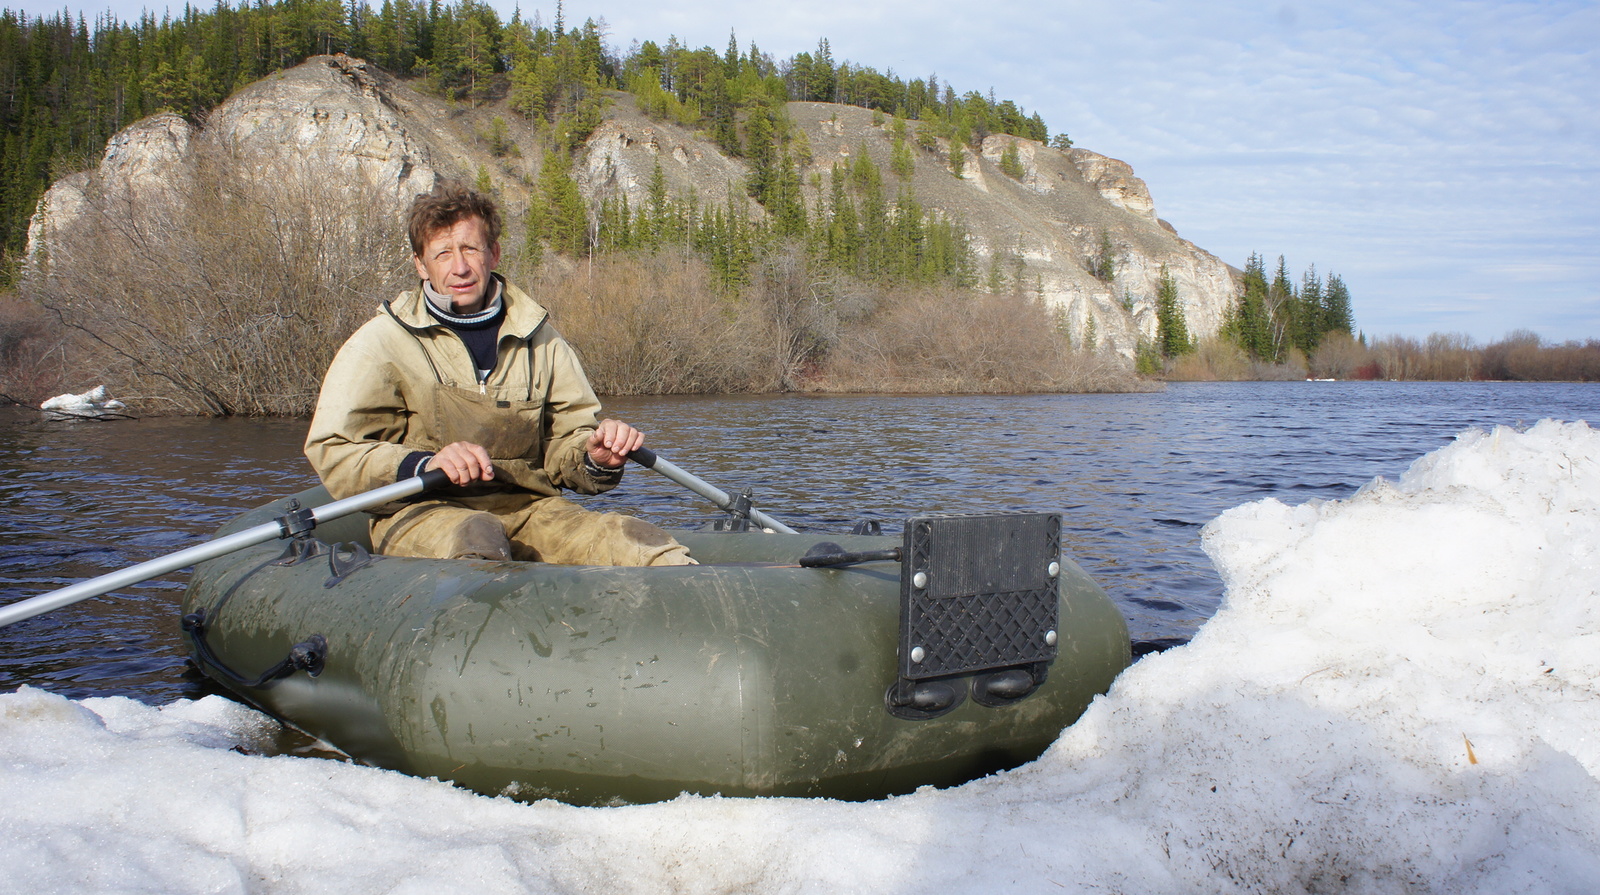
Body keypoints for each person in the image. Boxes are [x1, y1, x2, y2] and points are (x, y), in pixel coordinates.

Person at [304, 181, 693, 566]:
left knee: (642, 545)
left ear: (493, 252)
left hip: (532, 511)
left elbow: (568, 440)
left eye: (470, 249)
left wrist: (594, 458)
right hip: (423, 514)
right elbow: (335, 450)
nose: (459, 268)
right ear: (420, 264)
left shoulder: (542, 340)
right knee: (479, 538)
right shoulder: (380, 342)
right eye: (442, 254)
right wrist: (422, 465)